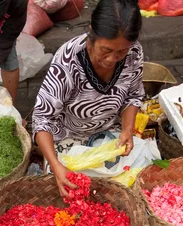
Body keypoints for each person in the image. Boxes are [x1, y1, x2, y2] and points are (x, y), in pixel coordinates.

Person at [33, 0, 144, 199]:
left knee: (135, 184)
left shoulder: (134, 52)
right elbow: (42, 119)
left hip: (110, 135)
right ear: (91, 35)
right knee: (67, 193)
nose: (113, 59)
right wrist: (56, 165)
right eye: (106, 50)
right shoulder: (68, 60)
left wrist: (127, 130)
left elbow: (134, 96)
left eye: (121, 52)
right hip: (67, 138)